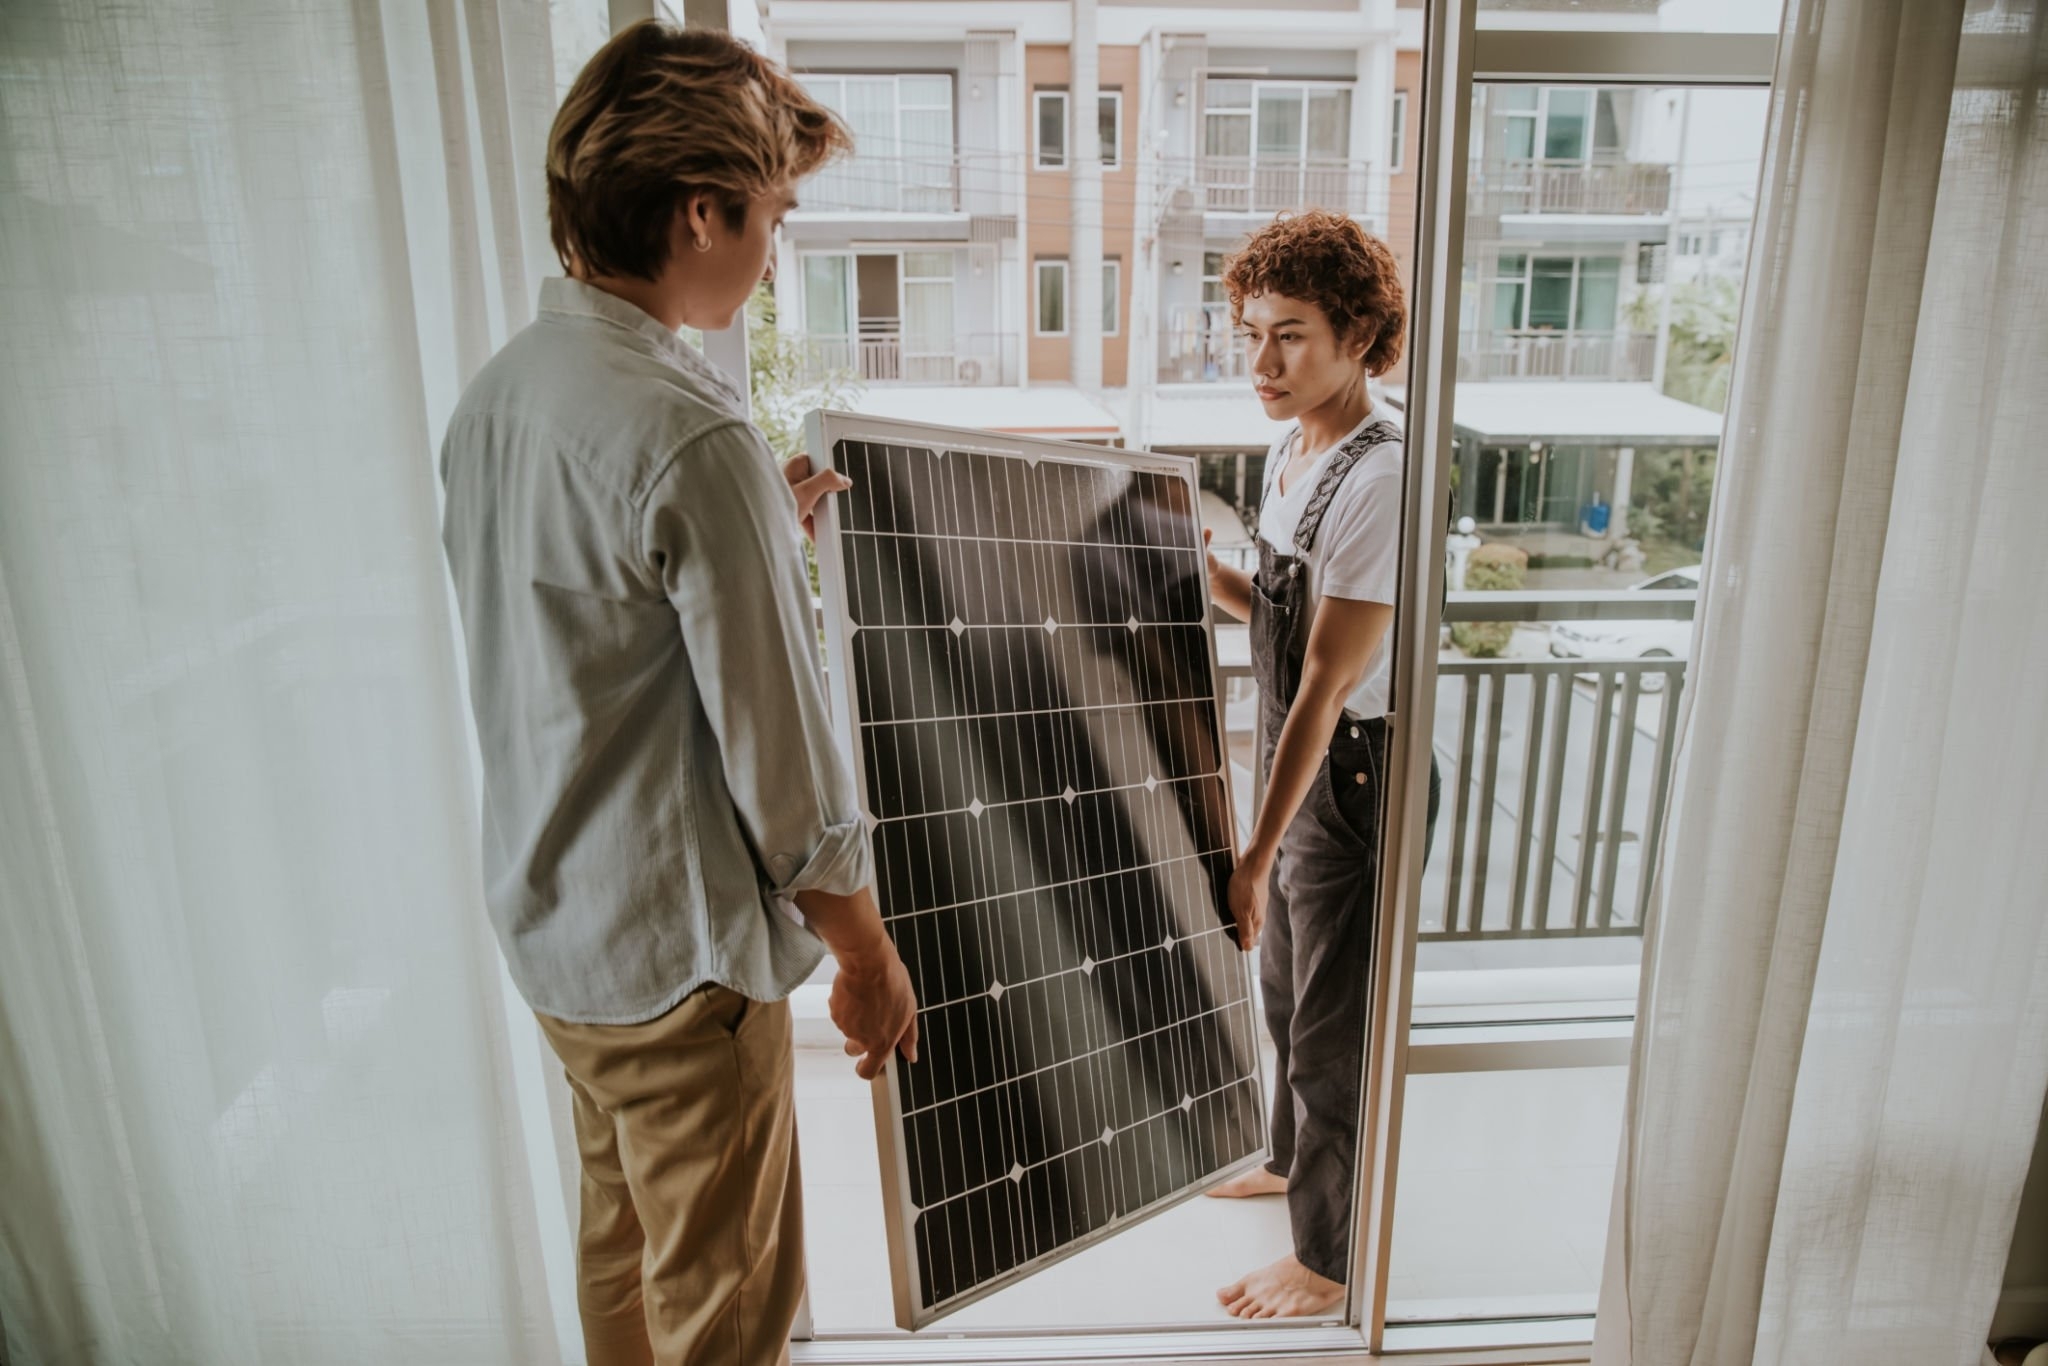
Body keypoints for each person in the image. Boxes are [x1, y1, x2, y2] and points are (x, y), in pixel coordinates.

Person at [438, 23, 918, 1366]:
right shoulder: (689, 434)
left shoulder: (501, 399)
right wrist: (869, 958)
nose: (773, 252)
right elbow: (787, 772)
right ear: (701, 211)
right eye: (771, 216)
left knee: (625, 1257)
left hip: (563, 938)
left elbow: (583, 616)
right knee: (724, 1309)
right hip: (682, 966)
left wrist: (751, 517)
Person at [1201, 211, 1440, 1319]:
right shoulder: (1288, 450)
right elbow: (1284, 627)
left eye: (1289, 335)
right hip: (1302, 766)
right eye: (1250, 332)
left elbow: (1326, 683)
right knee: (1285, 989)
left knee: (1330, 1026)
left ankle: (1329, 1259)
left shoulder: (1380, 474)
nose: (1261, 363)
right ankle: (1291, 1163)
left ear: (1358, 334)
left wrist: (1251, 853)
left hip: (1352, 773)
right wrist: (1208, 577)